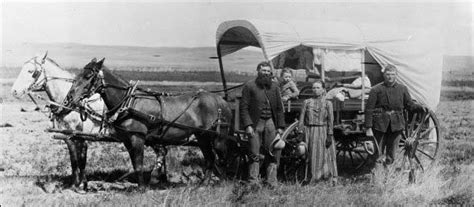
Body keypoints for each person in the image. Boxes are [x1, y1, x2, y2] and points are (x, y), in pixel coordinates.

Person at [365, 64, 425, 166]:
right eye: (388, 74)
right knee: (377, 153)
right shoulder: (376, 90)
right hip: (380, 125)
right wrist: (368, 128)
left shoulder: (402, 89)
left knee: (391, 154)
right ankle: (377, 177)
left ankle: (388, 176)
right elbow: (369, 109)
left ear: (396, 75)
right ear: (384, 75)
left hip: (396, 125)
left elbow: (409, 105)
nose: (390, 77)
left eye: (392, 74)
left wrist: (420, 107)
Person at [240, 61, 286, 188]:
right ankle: (253, 182)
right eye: (263, 70)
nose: (266, 73)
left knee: (272, 152)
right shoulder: (249, 86)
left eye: (268, 71)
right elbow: (243, 108)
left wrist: (281, 126)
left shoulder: (275, 87)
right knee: (254, 153)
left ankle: (272, 182)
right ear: (258, 71)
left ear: (270, 73)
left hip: (270, 122)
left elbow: (279, 108)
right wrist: (248, 125)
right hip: (256, 123)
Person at [297, 80, 337, 185]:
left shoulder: (328, 103)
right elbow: (301, 118)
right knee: (311, 155)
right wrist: (301, 131)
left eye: (318, 88)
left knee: (325, 155)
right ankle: (311, 178)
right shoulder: (307, 102)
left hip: (323, 131)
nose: (315, 90)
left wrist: (330, 134)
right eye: (314, 88)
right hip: (310, 131)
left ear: (323, 89)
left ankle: (326, 178)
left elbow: (330, 120)